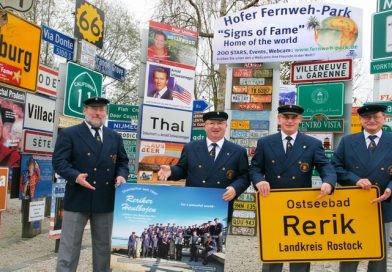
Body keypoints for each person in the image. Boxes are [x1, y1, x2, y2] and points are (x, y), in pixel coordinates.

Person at [249, 104, 336, 272]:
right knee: (274, 250)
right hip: (273, 202)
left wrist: (329, 182)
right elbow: (255, 168)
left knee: (300, 251)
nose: (289, 121)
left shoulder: (312, 144)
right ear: (279, 119)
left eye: (294, 118)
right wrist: (259, 181)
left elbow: (326, 167)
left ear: (300, 120)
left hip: (301, 205)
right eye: (285, 117)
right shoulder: (265, 142)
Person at [52, 96, 129, 272]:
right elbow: (59, 162)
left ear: (105, 113)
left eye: (101, 109)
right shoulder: (69, 134)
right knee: (69, 247)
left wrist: (121, 176)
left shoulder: (114, 137)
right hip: (78, 197)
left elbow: (123, 163)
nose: (98, 113)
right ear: (85, 110)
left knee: (103, 248)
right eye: (94, 109)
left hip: (105, 198)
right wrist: (75, 176)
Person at [331, 104, 392, 272]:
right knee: (351, 250)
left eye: (376, 117)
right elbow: (335, 167)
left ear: (383, 118)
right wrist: (355, 179)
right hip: (353, 204)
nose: (371, 120)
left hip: (383, 204)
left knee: (379, 253)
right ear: (360, 120)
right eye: (367, 117)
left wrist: (390, 189)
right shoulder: (348, 141)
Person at [158, 111, 250, 207]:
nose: (216, 127)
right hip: (193, 202)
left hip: (222, 204)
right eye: (211, 123)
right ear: (204, 126)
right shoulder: (190, 148)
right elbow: (182, 170)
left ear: (226, 126)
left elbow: (244, 176)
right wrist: (172, 171)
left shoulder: (238, 151)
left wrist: (235, 188)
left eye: (220, 123)